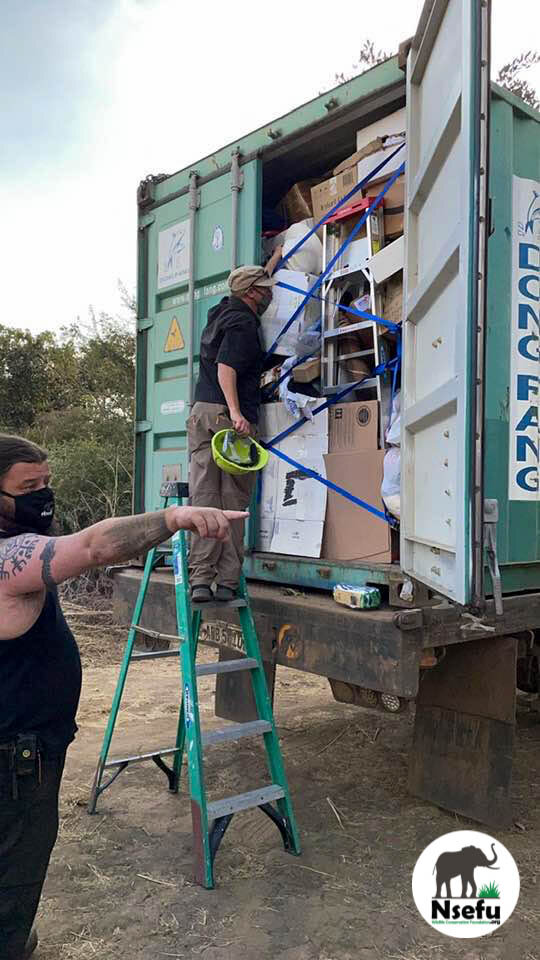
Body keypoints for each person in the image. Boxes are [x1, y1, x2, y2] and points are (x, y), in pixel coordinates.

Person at [0, 433, 248, 960]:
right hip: (17, 755)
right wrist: (175, 518)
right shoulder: (7, 561)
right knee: (15, 868)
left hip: (23, 745)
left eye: (47, 483)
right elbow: (91, 546)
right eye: (28, 487)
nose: (43, 495)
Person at [188, 252, 281, 604]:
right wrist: (237, 412)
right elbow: (228, 367)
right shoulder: (244, 324)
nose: (269, 294)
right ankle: (226, 582)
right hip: (229, 422)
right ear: (253, 293)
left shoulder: (221, 314)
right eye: (265, 289)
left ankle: (200, 581)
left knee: (205, 498)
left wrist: (273, 261)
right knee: (233, 502)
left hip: (202, 416)